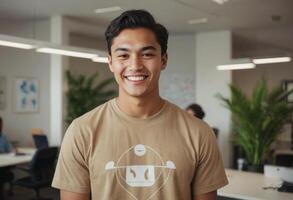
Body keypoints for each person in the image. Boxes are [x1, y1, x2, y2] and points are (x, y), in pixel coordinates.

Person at [52, 10, 228, 200]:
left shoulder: (199, 133)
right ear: (110, 62)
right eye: (123, 55)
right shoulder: (82, 131)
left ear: (163, 60)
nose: (135, 65)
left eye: (147, 54)